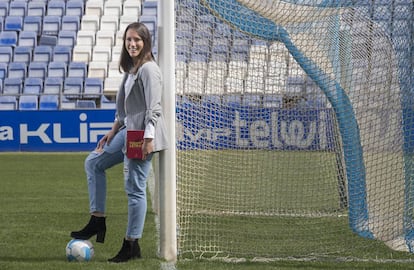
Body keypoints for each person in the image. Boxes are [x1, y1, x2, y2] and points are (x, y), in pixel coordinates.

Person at [70, 22, 168, 263]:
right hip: (129, 131)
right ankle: (97, 220)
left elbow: (154, 109)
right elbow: (125, 112)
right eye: (129, 40)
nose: (132, 44)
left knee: (134, 188)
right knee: (94, 162)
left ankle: (131, 244)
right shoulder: (132, 69)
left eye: (137, 40)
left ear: (146, 42)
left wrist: (148, 139)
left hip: (144, 135)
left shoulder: (149, 70)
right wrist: (112, 132)